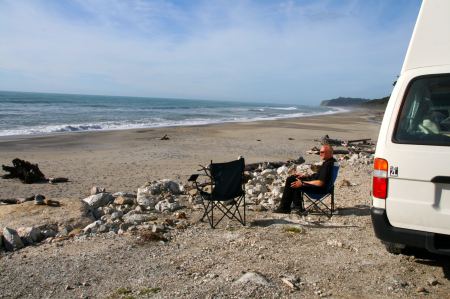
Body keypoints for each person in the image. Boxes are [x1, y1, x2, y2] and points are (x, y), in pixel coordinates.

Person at [274, 144, 336, 214]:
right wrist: (306, 176)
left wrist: (303, 183)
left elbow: (320, 183)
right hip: (324, 187)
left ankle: (286, 208)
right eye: (320, 152)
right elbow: (319, 176)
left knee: (292, 180)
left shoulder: (328, 165)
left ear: (329, 153)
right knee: (294, 178)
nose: (320, 154)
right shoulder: (331, 162)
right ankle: (295, 207)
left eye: (322, 152)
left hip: (319, 190)